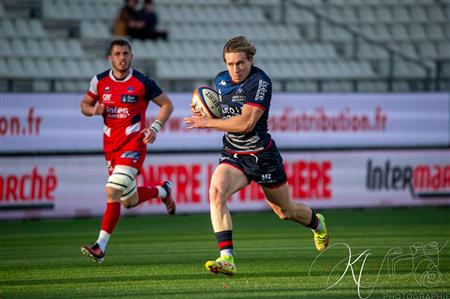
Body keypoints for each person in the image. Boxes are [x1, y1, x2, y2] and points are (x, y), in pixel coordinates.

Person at [184, 36, 329, 276]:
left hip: (262, 156)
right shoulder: (220, 81)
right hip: (234, 154)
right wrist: (200, 106)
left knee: (286, 212)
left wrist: (208, 121)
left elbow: (246, 123)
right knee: (216, 192)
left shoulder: (260, 82)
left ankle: (317, 223)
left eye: (240, 63)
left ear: (250, 61)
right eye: (230, 64)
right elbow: (219, 109)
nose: (235, 69)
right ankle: (226, 258)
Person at [80, 39, 175, 263]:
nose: (122, 58)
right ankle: (163, 191)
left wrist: (155, 127)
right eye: (117, 54)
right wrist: (93, 110)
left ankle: (99, 247)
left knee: (112, 191)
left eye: (125, 54)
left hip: (134, 145)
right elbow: (84, 105)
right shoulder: (99, 81)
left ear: (131, 56)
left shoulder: (142, 82)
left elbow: (167, 104)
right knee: (128, 202)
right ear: (110, 58)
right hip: (111, 148)